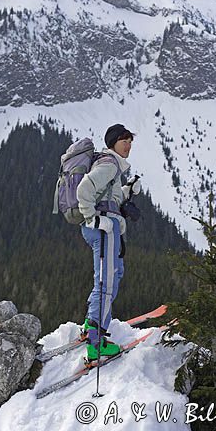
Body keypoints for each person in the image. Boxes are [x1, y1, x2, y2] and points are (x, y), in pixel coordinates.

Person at [76, 124, 141, 360]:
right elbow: (85, 188)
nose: (128, 144)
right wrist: (92, 219)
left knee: (113, 273)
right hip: (104, 228)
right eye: (124, 140)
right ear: (113, 142)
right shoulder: (109, 164)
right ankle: (96, 340)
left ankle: (91, 323)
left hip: (105, 225)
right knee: (107, 281)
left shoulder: (111, 166)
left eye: (130, 140)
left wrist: (126, 190)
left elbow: (108, 197)